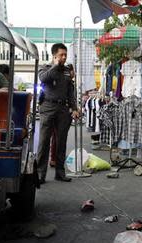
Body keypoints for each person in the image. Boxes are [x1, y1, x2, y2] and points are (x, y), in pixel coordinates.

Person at [37, 43, 79, 183]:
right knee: (44, 142)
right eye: (61, 55)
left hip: (63, 109)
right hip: (48, 107)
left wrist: (74, 108)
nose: (64, 57)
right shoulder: (45, 67)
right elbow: (43, 79)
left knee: (61, 142)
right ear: (54, 55)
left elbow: (70, 92)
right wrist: (55, 66)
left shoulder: (67, 71)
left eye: (65, 55)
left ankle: (60, 173)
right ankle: (40, 174)